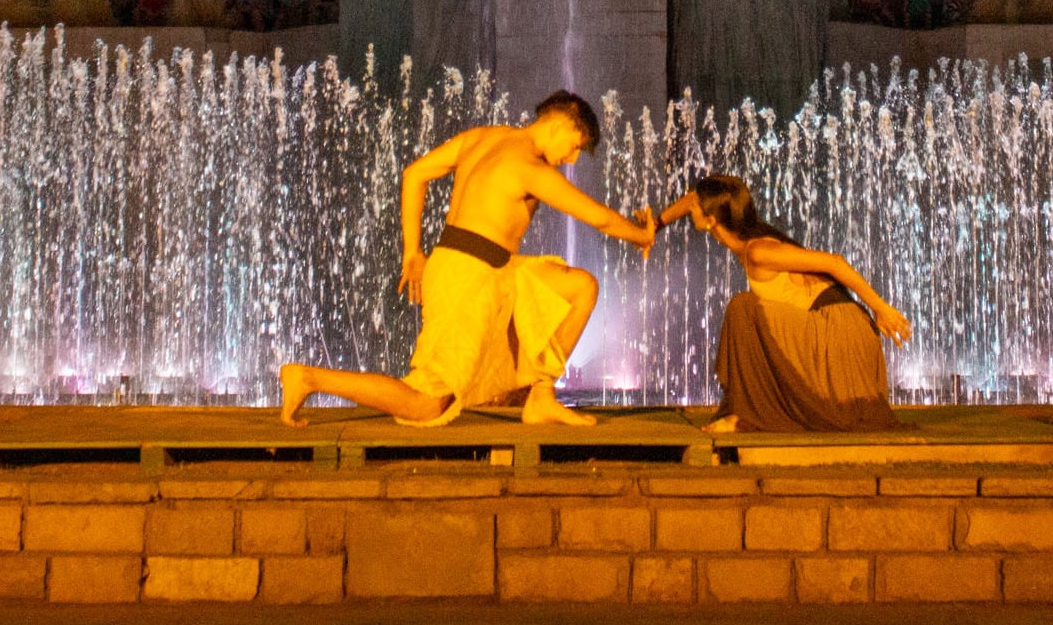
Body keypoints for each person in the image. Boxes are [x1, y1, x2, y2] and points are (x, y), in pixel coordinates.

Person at [279, 91, 656, 430]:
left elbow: (415, 174)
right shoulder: (529, 166)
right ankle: (310, 379)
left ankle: (541, 396)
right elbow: (601, 218)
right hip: (468, 276)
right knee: (427, 404)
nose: (571, 159)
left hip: (491, 270)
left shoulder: (480, 138)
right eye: (574, 147)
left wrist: (413, 251)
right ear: (558, 125)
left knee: (580, 287)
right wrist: (642, 234)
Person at [654, 174, 912, 433]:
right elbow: (689, 199)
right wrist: (654, 226)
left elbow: (835, 263)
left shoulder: (758, 250)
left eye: (696, 206)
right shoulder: (745, 240)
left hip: (838, 332)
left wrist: (881, 308)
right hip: (825, 329)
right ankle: (746, 412)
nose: (690, 207)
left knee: (743, 309)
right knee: (752, 313)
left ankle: (745, 416)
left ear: (711, 221)